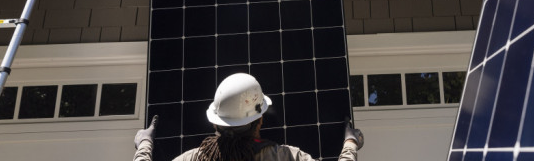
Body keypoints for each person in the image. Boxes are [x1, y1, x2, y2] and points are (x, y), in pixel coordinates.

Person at [133, 73, 363, 161]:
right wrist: (351, 142)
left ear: (215, 121)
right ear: (259, 120)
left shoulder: (194, 159)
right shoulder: (284, 157)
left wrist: (144, 143)